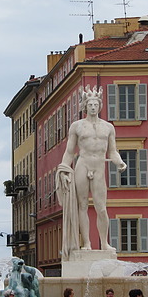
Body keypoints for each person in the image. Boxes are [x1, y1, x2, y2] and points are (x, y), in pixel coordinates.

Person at [56, 86, 126, 259]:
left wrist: (119, 162)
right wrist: (64, 169)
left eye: (96, 104)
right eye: (90, 104)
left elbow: (113, 151)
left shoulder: (108, 127)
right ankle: (86, 242)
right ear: (85, 106)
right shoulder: (77, 126)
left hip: (99, 167)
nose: (93, 107)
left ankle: (104, 242)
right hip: (83, 165)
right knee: (82, 205)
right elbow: (70, 151)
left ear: (100, 106)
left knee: (101, 208)